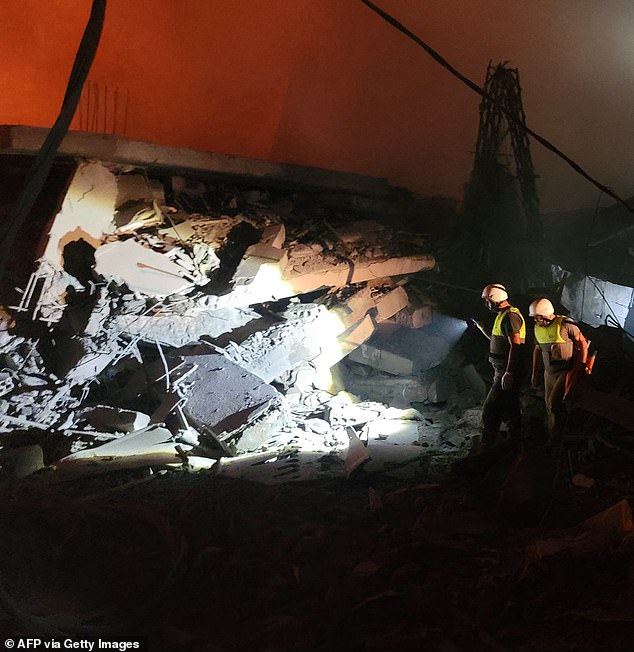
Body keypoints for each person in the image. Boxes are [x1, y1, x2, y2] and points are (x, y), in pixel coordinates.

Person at [528, 298, 589, 444]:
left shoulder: (566, 325)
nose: (535, 320)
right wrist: (534, 373)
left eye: (537, 317)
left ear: (545, 315)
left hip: (565, 370)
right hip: (549, 373)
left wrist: (582, 364)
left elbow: (582, 342)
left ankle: (558, 435)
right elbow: (537, 350)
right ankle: (552, 431)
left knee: (553, 402)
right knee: (548, 403)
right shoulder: (537, 329)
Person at [473, 284, 526, 447]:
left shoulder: (510, 316)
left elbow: (515, 345)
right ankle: (516, 443)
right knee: (511, 408)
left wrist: (509, 372)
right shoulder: (503, 315)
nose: (486, 305)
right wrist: (482, 328)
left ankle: (488, 445)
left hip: (504, 370)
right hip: (501, 369)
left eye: (488, 301)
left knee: (490, 409)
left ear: (495, 299)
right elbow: (499, 341)